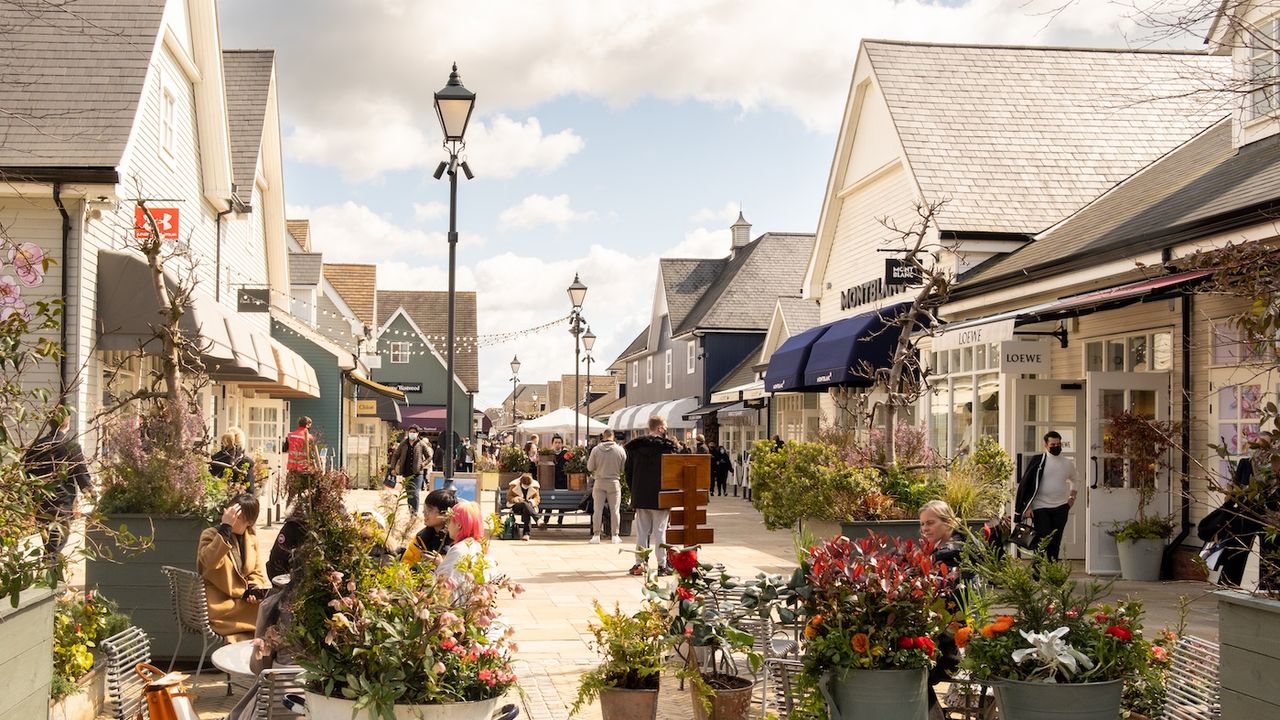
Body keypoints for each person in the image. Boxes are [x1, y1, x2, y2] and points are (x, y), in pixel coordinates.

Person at [24, 411, 93, 566]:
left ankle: (53, 581)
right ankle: (48, 581)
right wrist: (90, 491)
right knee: (56, 544)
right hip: (62, 502)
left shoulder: (37, 446)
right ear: (67, 423)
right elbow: (81, 473)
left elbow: (27, 472)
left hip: (40, 501)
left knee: (49, 542)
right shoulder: (71, 446)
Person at [197, 493, 269, 642]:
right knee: (270, 615)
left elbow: (256, 570)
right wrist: (225, 529)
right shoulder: (211, 535)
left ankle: (255, 657)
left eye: (238, 518)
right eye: (231, 514)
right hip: (220, 606)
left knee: (274, 607)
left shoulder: (251, 538)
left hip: (243, 603)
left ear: (249, 522)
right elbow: (209, 562)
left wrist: (253, 588)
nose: (233, 519)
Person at [918, 500, 966, 719]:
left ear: (948, 523)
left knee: (910, 672)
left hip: (948, 648)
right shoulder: (938, 552)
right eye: (922, 524)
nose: (925, 528)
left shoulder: (950, 555)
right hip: (940, 641)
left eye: (930, 522)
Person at [1216, 442, 1280, 588]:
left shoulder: (1247, 463)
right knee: (1265, 556)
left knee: (1243, 553)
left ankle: (1229, 586)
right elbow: (1235, 491)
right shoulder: (1247, 464)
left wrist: (1227, 506)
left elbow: (1234, 492)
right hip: (1265, 517)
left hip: (1252, 515)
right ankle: (1269, 589)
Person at [624, 416, 678, 576]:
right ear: (660, 428)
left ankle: (640, 564)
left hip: (641, 495)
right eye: (665, 426)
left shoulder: (635, 448)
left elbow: (628, 472)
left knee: (642, 532)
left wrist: (634, 489)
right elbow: (674, 473)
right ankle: (662, 565)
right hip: (661, 496)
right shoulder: (668, 448)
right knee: (660, 532)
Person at [1014, 430, 1077, 563]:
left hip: (1060, 508)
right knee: (1042, 541)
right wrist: (1028, 506)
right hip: (1040, 507)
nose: (1056, 447)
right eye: (1053, 444)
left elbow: (1076, 480)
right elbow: (1026, 484)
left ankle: (1052, 573)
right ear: (1046, 444)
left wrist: (1072, 498)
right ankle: (1036, 573)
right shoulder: (1038, 461)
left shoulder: (1067, 463)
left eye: (1058, 444)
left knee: (1056, 541)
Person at [437, 500, 488, 590]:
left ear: (459, 525)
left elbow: (443, 583)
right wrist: (443, 563)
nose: (447, 526)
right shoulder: (478, 545)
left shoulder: (458, 549)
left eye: (450, 521)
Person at [587, 429, 627, 544]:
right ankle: (615, 535)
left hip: (599, 481)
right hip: (614, 482)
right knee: (615, 510)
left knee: (597, 510)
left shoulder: (595, 450)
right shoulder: (620, 450)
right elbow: (624, 469)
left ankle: (596, 535)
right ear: (613, 436)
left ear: (603, 436)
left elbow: (590, 467)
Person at [404, 488, 458, 564]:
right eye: (424, 509)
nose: (424, 512)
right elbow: (407, 562)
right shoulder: (421, 538)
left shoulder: (457, 540)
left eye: (429, 510)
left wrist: (442, 565)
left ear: (445, 514)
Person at [391, 425, 433, 514]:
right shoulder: (404, 443)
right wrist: (393, 467)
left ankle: (415, 513)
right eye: (411, 431)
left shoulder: (421, 444)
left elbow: (429, 457)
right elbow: (396, 455)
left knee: (415, 493)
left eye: (414, 432)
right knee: (409, 494)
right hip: (406, 472)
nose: (412, 433)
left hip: (417, 473)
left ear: (417, 433)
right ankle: (411, 512)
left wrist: (423, 464)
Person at [541, 434, 570, 528]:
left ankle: (560, 521)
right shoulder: (549, 454)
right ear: (552, 443)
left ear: (562, 444)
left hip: (562, 481)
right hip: (551, 481)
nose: (558, 444)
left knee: (562, 502)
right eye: (556, 442)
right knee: (549, 502)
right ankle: (545, 521)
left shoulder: (566, 454)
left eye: (559, 443)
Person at [506, 472, 540, 541]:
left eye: (528, 485)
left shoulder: (534, 486)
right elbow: (509, 497)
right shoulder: (514, 485)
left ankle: (526, 534)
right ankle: (537, 519)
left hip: (529, 507)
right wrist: (515, 499)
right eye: (524, 485)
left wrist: (532, 501)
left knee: (526, 509)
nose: (526, 486)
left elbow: (537, 499)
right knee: (524, 504)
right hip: (517, 506)